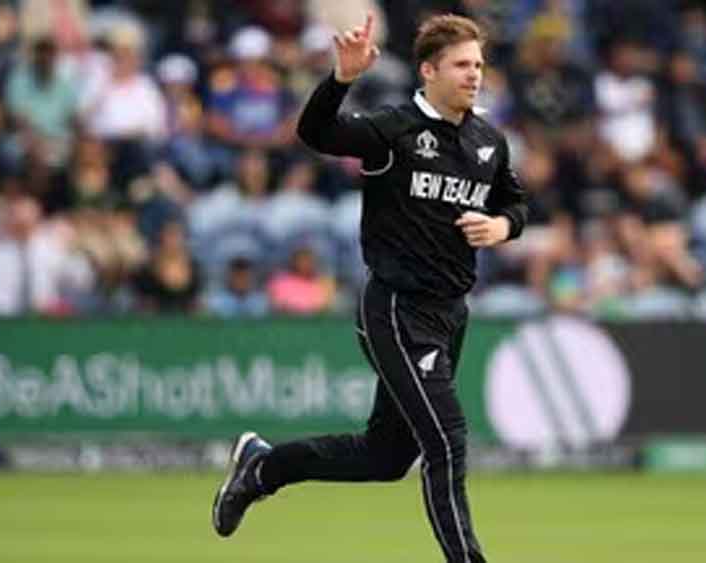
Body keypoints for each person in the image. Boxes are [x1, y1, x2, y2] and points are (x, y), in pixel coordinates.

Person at [210, 13, 528, 563]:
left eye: (478, 64)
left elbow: (515, 203)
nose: (474, 75)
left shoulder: (488, 141)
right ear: (429, 70)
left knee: (386, 457)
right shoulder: (393, 130)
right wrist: (341, 78)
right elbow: (315, 133)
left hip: (451, 311)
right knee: (446, 440)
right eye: (461, 65)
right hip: (396, 307)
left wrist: (502, 225)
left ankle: (263, 468)